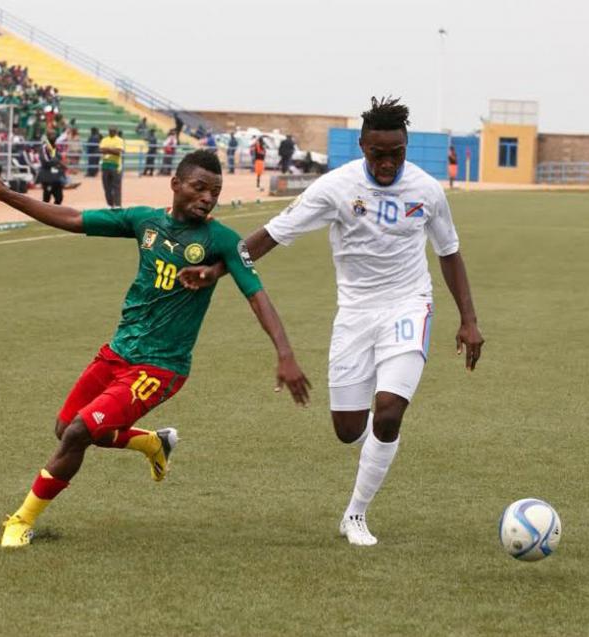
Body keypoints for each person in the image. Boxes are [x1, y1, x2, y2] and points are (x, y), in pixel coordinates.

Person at [177, 97, 484, 547]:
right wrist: (217, 271)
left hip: (408, 306)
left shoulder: (426, 191)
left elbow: (449, 252)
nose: (386, 162)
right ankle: (378, 449)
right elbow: (273, 235)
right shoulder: (334, 188)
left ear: (406, 146)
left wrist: (468, 320)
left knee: (390, 411)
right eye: (377, 153)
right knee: (346, 430)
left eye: (395, 153)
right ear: (362, 146)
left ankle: (355, 514)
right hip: (355, 314)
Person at [0, 150, 310, 548]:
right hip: (118, 351)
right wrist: (6, 194)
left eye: (214, 191)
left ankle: (21, 520)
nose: (208, 198)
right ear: (176, 185)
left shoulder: (222, 241)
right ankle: (151, 442)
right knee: (65, 428)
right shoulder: (145, 221)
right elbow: (74, 220)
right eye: (199, 188)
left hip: (161, 367)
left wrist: (285, 354)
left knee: (77, 433)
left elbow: (258, 297)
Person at [38, 130, 66, 204]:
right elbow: (45, 161)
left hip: (56, 177)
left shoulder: (55, 147)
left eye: (54, 135)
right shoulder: (44, 147)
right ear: (47, 137)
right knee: (46, 199)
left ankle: (55, 213)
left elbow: (58, 158)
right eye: (51, 135)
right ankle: (44, 214)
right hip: (47, 176)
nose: (54, 136)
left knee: (59, 198)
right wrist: (58, 162)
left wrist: (61, 165)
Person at [99, 126, 123, 207]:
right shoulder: (104, 140)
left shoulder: (119, 140)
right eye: (110, 131)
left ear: (116, 131)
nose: (111, 132)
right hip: (105, 166)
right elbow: (101, 150)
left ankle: (118, 205)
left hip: (116, 167)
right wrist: (112, 150)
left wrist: (107, 149)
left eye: (113, 131)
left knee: (116, 187)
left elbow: (118, 152)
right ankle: (110, 204)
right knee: (106, 187)